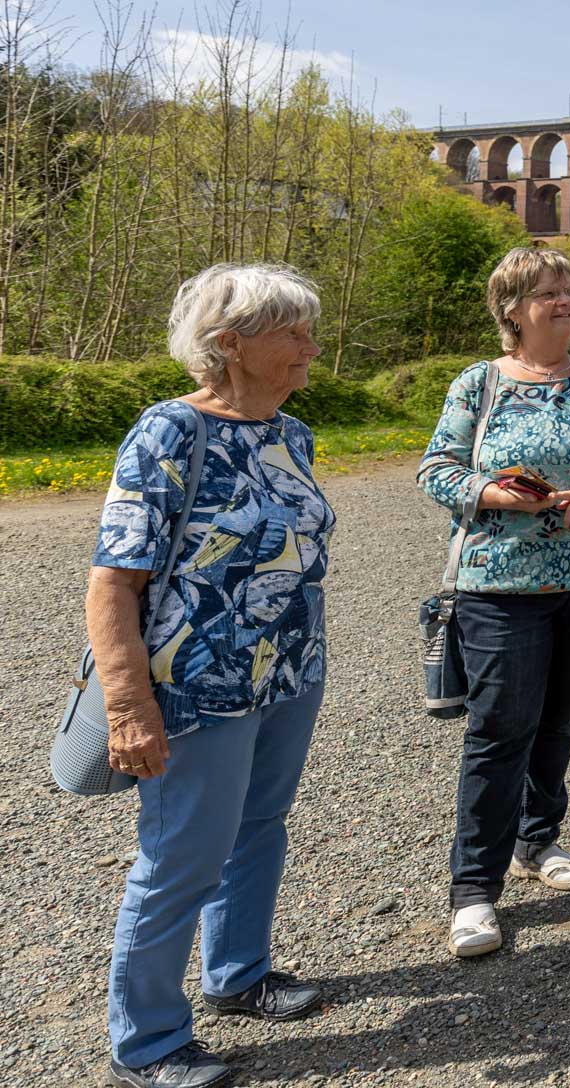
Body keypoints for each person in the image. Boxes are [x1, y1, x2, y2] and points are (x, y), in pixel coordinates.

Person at [90, 264, 335, 1088]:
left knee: (260, 825)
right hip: (199, 682)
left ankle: (239, 975)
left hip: (290, 670)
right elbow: (114, 579)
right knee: (182, 858)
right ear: (228, 346)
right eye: (291, 332)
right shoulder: (169, 432)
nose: (310, 345)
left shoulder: (288, 432)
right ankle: (149, 1042)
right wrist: (128, 705)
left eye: (307, 328)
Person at [417, 247, 570, 958]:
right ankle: (473, 892)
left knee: (558, 719)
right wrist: (494, 494)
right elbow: (435, 469)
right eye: (548, 292)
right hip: (501, 582)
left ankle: (537, 840)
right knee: (500, 729)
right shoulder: (478, 384)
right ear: (512, 310)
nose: (565, 301)